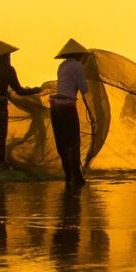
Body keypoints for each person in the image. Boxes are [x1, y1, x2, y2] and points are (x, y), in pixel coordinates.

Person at [51, 38, 89, 186]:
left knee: (62, 142)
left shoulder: (62, 66)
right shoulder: (77, 67)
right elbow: (84, 88)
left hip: (55, 106)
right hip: (67, 106)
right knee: (73, 141)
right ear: (79, 55)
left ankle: (68, 175)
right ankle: (77, 177)